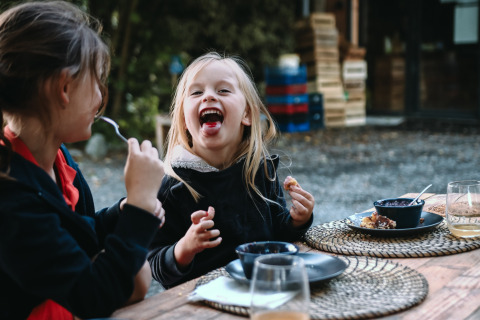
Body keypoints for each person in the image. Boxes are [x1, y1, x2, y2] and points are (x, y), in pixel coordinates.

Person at [0, 1, 165, 319]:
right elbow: (93, 295)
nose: (101, 98)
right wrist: (140, 211)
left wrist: (126, 211)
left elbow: (81, 233)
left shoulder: (59, 160)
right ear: (64, 87)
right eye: (97, 81)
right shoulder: (9, 193)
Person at [148, 52, 315, 288]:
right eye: (196, 92)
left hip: (262, 290)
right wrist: (184, 248)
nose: (208, 97)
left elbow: (279, 235)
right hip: (200, 305)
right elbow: (155, 264)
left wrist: (298, 220)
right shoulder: (172, 185)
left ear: (247, 113)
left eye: (223, 90)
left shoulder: (260, 170)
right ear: (184, 119)